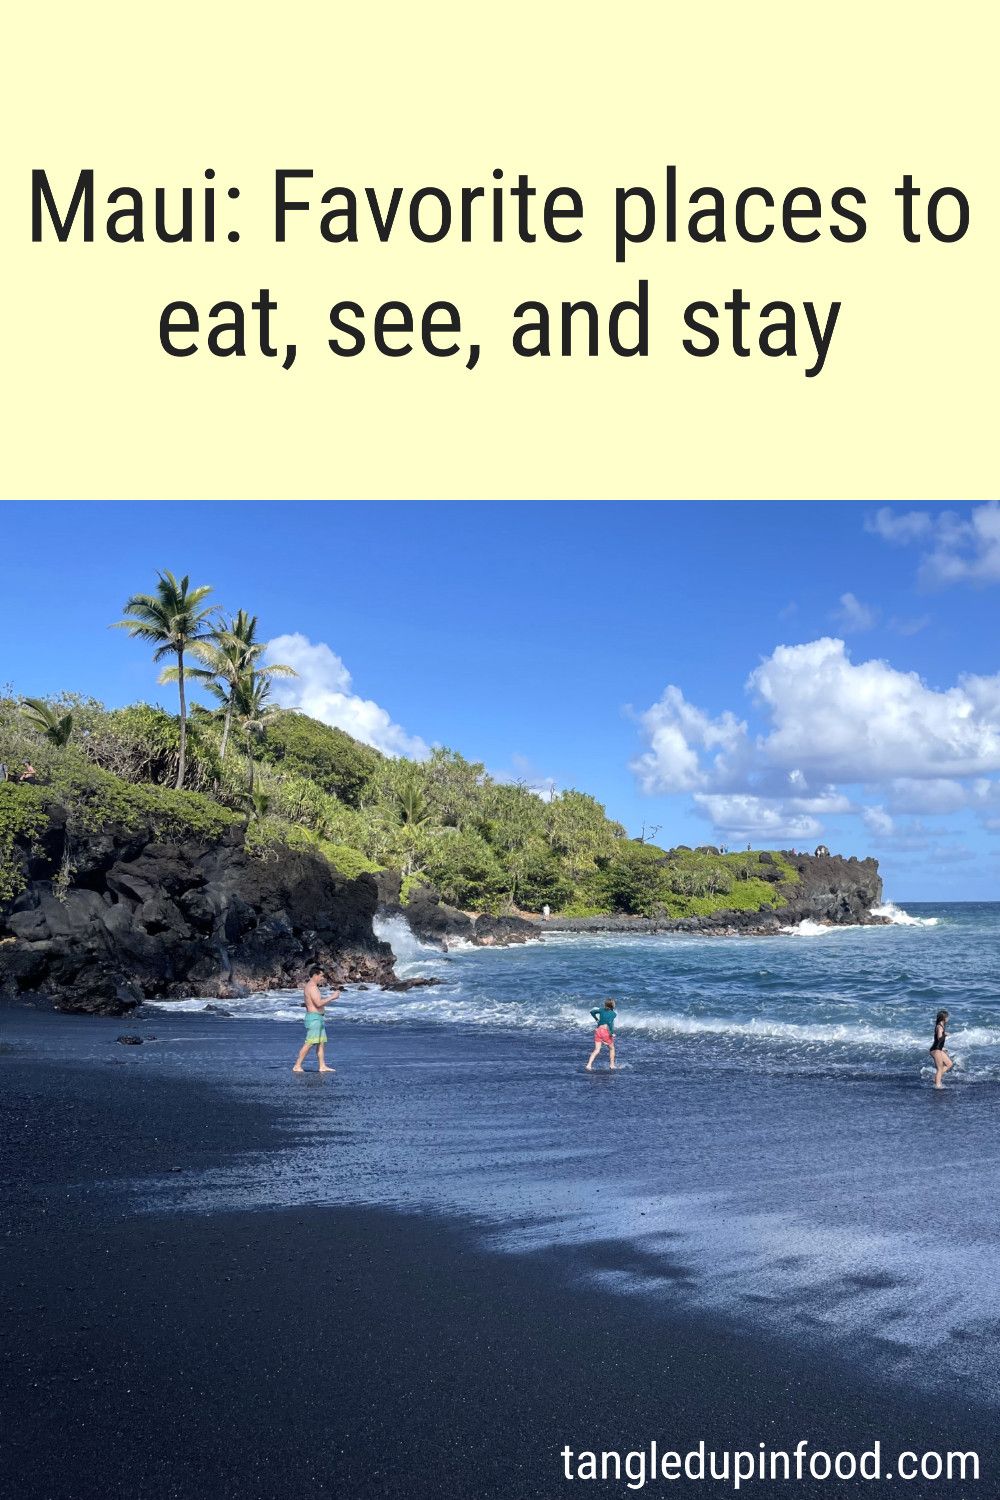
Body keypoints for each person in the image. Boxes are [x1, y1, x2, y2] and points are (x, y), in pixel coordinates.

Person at [292, 966, 341, 1074]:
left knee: (321, 1042)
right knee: (309, 1043)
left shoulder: (312, 986)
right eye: (321, 976)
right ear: (315, 975)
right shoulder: (312, 987)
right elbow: (318, 1003)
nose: (322, 978)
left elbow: (318, 1004)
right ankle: (297, 1065)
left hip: (318, 1018)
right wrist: (332, 997)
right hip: (314, 1018)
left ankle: (322, 1066)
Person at [586, 997, 617, 1071]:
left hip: (598, 1031)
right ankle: (612, 1065)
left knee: (597, 1050)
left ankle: (589, 1065)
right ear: (612, 1005)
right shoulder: (613, 1014)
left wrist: (596, 1019)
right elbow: (610, 1024)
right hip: (605, 1032)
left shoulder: (601, 1010)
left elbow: (592, 1012)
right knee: (612, 1048)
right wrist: (612, 1033)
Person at [928, 1009, 953, 1089]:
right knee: (940, 1068)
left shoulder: (941, 1026)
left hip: (939, 1049)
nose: (948, 1018)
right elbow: (939, 1038)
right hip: (935, 1050)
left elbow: (938, 1041)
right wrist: (944, 1035)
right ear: (943, 1018)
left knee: (949, 1064)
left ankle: (936, 1078)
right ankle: (938, 1085)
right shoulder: (939, 1027)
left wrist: (942, 1048)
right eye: (947, 1017)